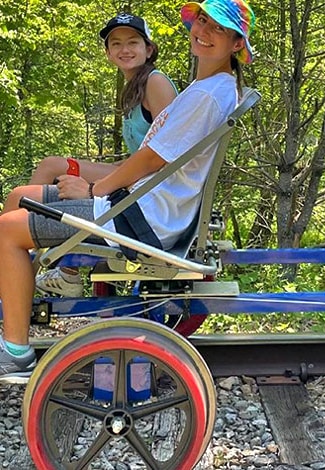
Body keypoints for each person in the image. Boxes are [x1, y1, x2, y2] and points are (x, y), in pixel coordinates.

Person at [0, 0, 256, 382]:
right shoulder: (206, 88)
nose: (203, 31)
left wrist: (91, 189)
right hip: (140, 206)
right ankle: (17, 303)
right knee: (20, 199)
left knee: (7, 230)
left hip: (142, 218)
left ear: (237, 44)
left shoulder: (206, 95)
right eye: (202, 21)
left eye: (218, 28)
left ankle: (16, 354)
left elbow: (153, 159)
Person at [8, 13, 179, 296]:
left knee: (44, 178)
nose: (125, 50)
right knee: (51, 166)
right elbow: (140, 155)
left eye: (133, 42)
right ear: (108, 53)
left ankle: (26, 273)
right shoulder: (135, 88)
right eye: (117, 44)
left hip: (150, 189)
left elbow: (165, 154)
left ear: (149, 49)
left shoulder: (155, 83)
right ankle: (38, 270)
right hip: (137, 174)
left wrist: (93, 189)